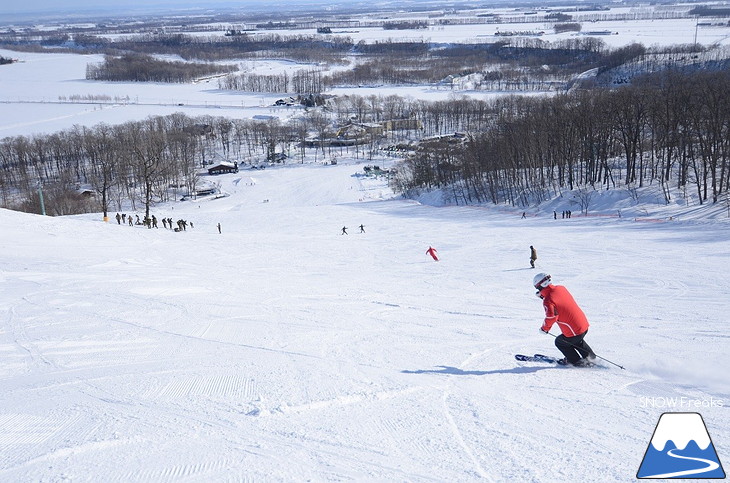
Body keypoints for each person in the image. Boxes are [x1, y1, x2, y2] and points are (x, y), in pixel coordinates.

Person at [533, 273, 596, 367]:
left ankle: (577, 362)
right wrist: (543, 296)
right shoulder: (561, 288)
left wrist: (544, 329)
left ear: (540, 286)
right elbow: (558, 299)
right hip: (583, 325)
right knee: (577, 341)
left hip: (574, 331)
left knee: (560, 342)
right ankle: (590, 357)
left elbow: (551, 317)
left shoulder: (548, 301)